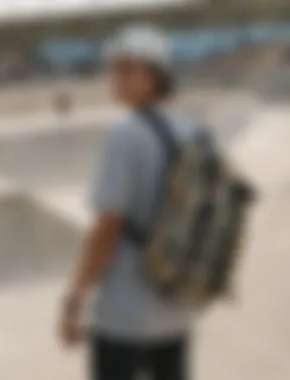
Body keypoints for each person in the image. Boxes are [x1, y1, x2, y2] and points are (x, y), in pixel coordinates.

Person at [58, 25, 198, 380]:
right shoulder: (193, 130)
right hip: (178, 309)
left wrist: (74, 300)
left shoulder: (125, 135)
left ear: (154, 76)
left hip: (125, 317)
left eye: (126, 69)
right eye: (113, 68)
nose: (114, 78)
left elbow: (106, 227)